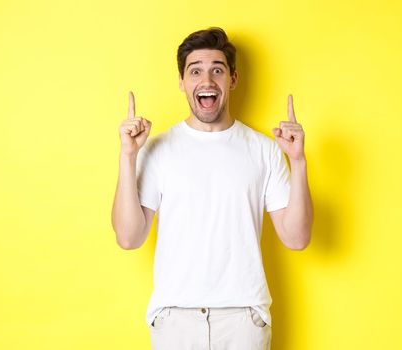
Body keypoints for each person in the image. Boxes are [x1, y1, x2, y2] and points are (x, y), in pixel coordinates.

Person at [110, 27, 313, 350]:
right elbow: (129, 237)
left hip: (243, 320)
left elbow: (297, 238)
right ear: (182, 82)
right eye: (195, 71)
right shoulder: (157, 149)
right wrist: (128, 155)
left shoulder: (264, 149)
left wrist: (298, 161)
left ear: (232, 79)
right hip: (175, 320)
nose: (207, 81)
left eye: (217, 70)